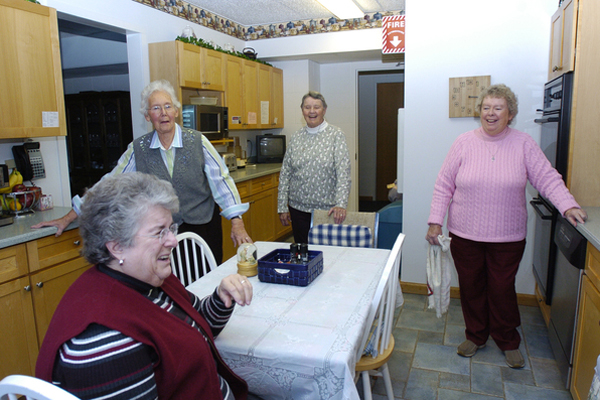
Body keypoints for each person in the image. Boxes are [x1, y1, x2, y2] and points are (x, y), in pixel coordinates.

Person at [36, 172, 253, 399]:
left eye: (171, 228)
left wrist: (221, 298)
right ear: (117, 246)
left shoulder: (149, 279)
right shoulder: (104, 337)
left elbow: (198, 324)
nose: (172, 240)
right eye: (159, 232)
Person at [425, 84, 587, 369]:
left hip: (508, 236)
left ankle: (508, 340)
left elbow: (547, 178)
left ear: (509, 114)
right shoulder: (463, 142)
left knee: (501, 288)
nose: (491, 113)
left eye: (498, 108)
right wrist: (435, 222)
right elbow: (443, 185)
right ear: (480, 112)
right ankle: (476, 335)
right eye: (486, 107)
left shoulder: (523, 143)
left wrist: (568, 205)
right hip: (465, 234)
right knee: (472, 288)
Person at [32, 79, 251, 264]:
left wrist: (237, 222)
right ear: (147, 116)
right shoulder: (139, 149)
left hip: (203, 227)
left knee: (206, 279)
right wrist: (70, 216)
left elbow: (221, 182)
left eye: (167, 106)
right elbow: (109, 184)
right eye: (156, 108)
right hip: (160, 232)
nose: (163, 113)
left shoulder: (197, 141)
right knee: (169, 285)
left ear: (176, 111)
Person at [277, 91, 351, 243]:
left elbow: (343, 173)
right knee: (302, 253)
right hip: (298, 209)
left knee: (327, 254)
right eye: (307, 107)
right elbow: (285, 174)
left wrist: (341, 204)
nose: (311, 111)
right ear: (302, 110)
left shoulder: (336, 135)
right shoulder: (296, 137)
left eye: (316, 107)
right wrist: (282, 206)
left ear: (324, 110)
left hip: (327, 211)